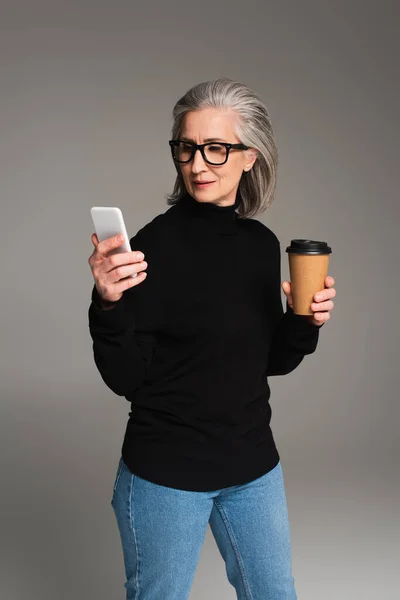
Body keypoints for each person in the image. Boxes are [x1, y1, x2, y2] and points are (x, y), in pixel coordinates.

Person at [87, 77, 336, 600]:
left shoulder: (261, 245)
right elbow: (126, 377)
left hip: (252, 467)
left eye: (217, 149)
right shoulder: (153, 246)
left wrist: (303, 322)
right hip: (165, 474)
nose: (198, 164)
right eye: (187, 148)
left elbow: (264, 362)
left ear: (250, 156)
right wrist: (108, 304)